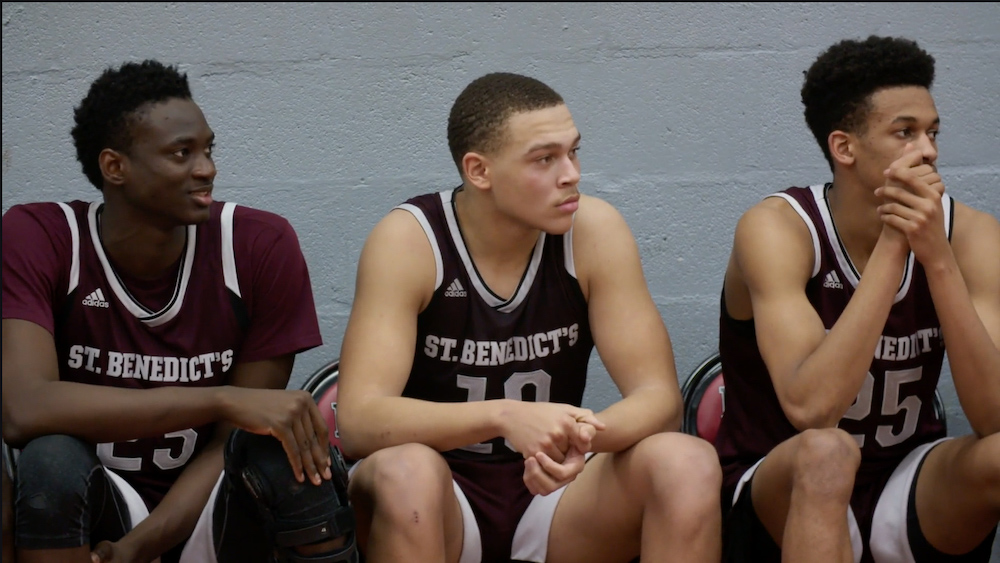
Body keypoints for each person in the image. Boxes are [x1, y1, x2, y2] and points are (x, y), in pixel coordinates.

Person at [335, 71, 723, 563]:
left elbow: (660, 400)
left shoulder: (594, 230)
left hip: (557, 494)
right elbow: (360, 420)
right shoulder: (410, 240)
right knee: (406, 473)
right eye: (545, 159)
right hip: (439, 495)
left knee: (686, 461)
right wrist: (503, 415)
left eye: (573, 151)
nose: (572, 174)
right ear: (479, 171)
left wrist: (583, 437)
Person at [1, 59, 358, 563]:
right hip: (97, 498)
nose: (206, 167)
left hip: (212, 502)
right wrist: (219, 399)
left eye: (208, 149)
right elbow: (24, 409)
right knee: (50, 458)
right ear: (115, 167)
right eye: (181, 153)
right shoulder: (42, 236)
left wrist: (138, 549)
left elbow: (232, 437)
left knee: (285, 454)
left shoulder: (257, 245)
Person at [713, 35, 1000, 562]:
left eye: (933, 132)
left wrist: (936, 259)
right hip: (783, 478)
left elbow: (992, 417)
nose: (930, 150)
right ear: (845, 147)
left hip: (905, 478)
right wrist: (895, 246)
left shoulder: (971, 235)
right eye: (905, 132)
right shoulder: (778, 229)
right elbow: (812, 409)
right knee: (827, 451)